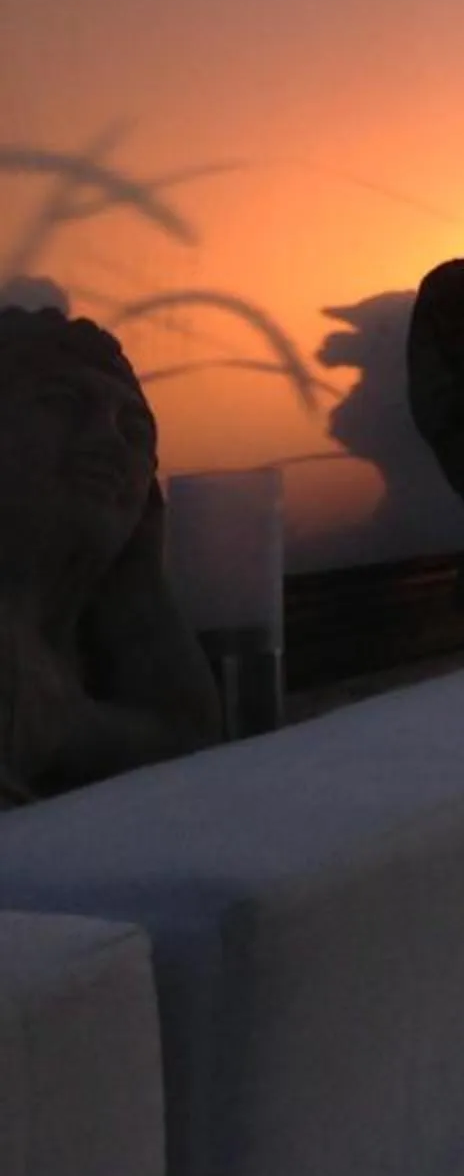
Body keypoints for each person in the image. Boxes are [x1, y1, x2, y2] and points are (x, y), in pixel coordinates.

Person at [0, 308, 224, 805]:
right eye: (62, 403)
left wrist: (139, 572)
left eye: (135, 431)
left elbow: (188, 738)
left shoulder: (68, 640)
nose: (108, 440)